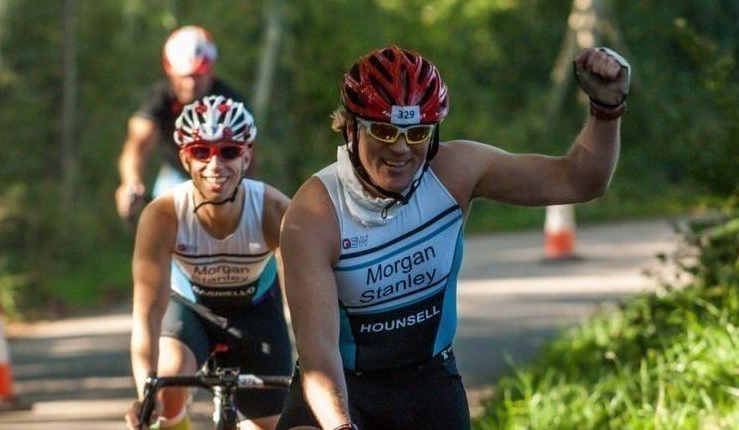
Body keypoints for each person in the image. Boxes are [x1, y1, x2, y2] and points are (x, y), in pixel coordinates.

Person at [276, 45, 631, 429]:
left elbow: (580, 180)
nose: (400, 147)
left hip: (428, 384)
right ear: (350, 128)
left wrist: (607, 111)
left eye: (417, 133)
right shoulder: (314, 214)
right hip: (343, 386)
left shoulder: (456, 171)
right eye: (383, 130)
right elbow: (318, 355)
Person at [125, 95, 293, 430]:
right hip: (191, 308)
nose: (215, 165)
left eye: (228, 151)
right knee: (169, 386)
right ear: (185, 159)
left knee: (270, 424)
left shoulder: (275, 211)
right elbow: (148, 312)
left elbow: (302, 304)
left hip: (256, 313)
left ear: (247, 156)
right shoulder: (163, 215)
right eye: (201, 151)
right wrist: (147, 390)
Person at [115, 25, 251, 220]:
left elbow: (250, 158)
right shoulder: (159, 99)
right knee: (161, 225)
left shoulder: (231, 103)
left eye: (197, 75)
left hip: (223, 177)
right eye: (184, 76)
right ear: (170, 71)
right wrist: (131, 183)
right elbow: (136, 146)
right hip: (175, 176)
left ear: (211, 70)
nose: (191, 84)